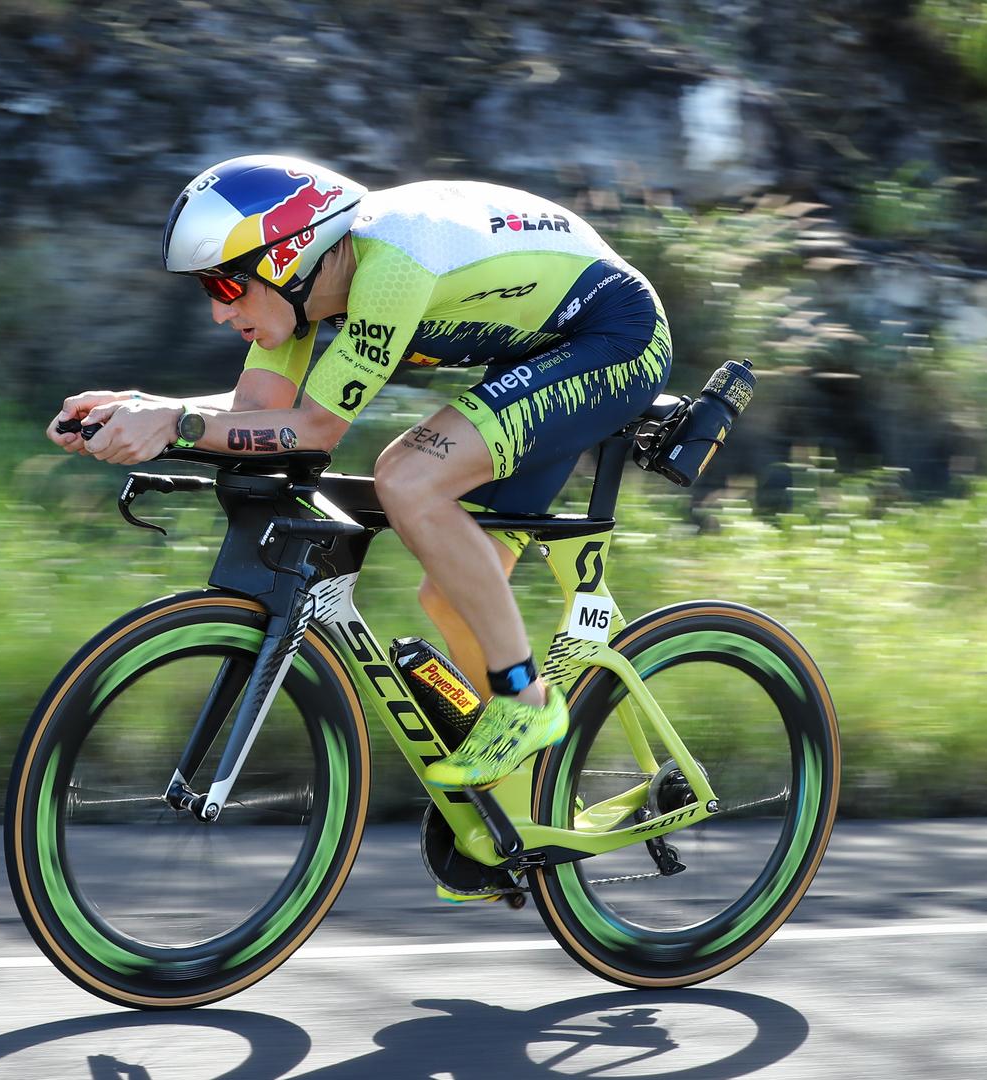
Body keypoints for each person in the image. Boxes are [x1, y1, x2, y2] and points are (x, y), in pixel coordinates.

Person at [47, 154, 672, 797]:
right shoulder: (305, 292)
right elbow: (257, 418)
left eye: (225, 286)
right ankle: (522, 803)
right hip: (544, 352)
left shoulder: (389, 266)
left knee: (407, 478)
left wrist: (175, 424)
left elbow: (315, 429)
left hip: (614, 337)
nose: (216, 313)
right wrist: (138, 409)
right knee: (448, 591)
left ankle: (526, 700)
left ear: (286, 257)